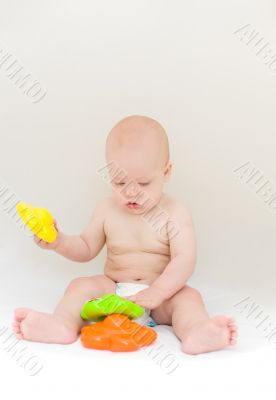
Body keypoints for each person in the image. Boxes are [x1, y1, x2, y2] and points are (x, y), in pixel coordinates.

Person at [12, 115, 238, 355]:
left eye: (143, 183)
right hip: (114, 290)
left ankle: (196, 331)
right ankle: (62, 324)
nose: (131, 192)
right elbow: (86, 247)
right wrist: (59, 242)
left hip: (162, 296)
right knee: (80, 286)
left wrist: (158, 292)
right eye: (120, 183)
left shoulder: (176, 212)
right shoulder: (106, 210)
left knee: (189, 298)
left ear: (166, 172)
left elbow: (185, 259)